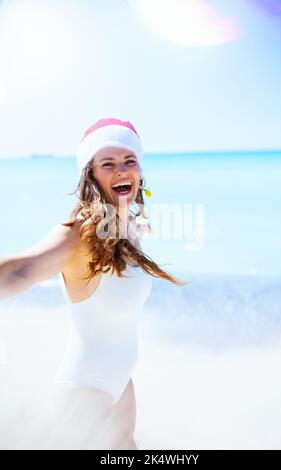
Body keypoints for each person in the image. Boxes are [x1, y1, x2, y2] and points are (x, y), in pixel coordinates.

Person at [0, 117, 187, 450]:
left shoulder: (126, 228)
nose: (121, 170)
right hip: (82, 395)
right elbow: (19, 271)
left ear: (140, 171)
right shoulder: (77, 234)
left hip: (118, 384)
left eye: (129, 161)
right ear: (90, 174)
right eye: (108, 163)